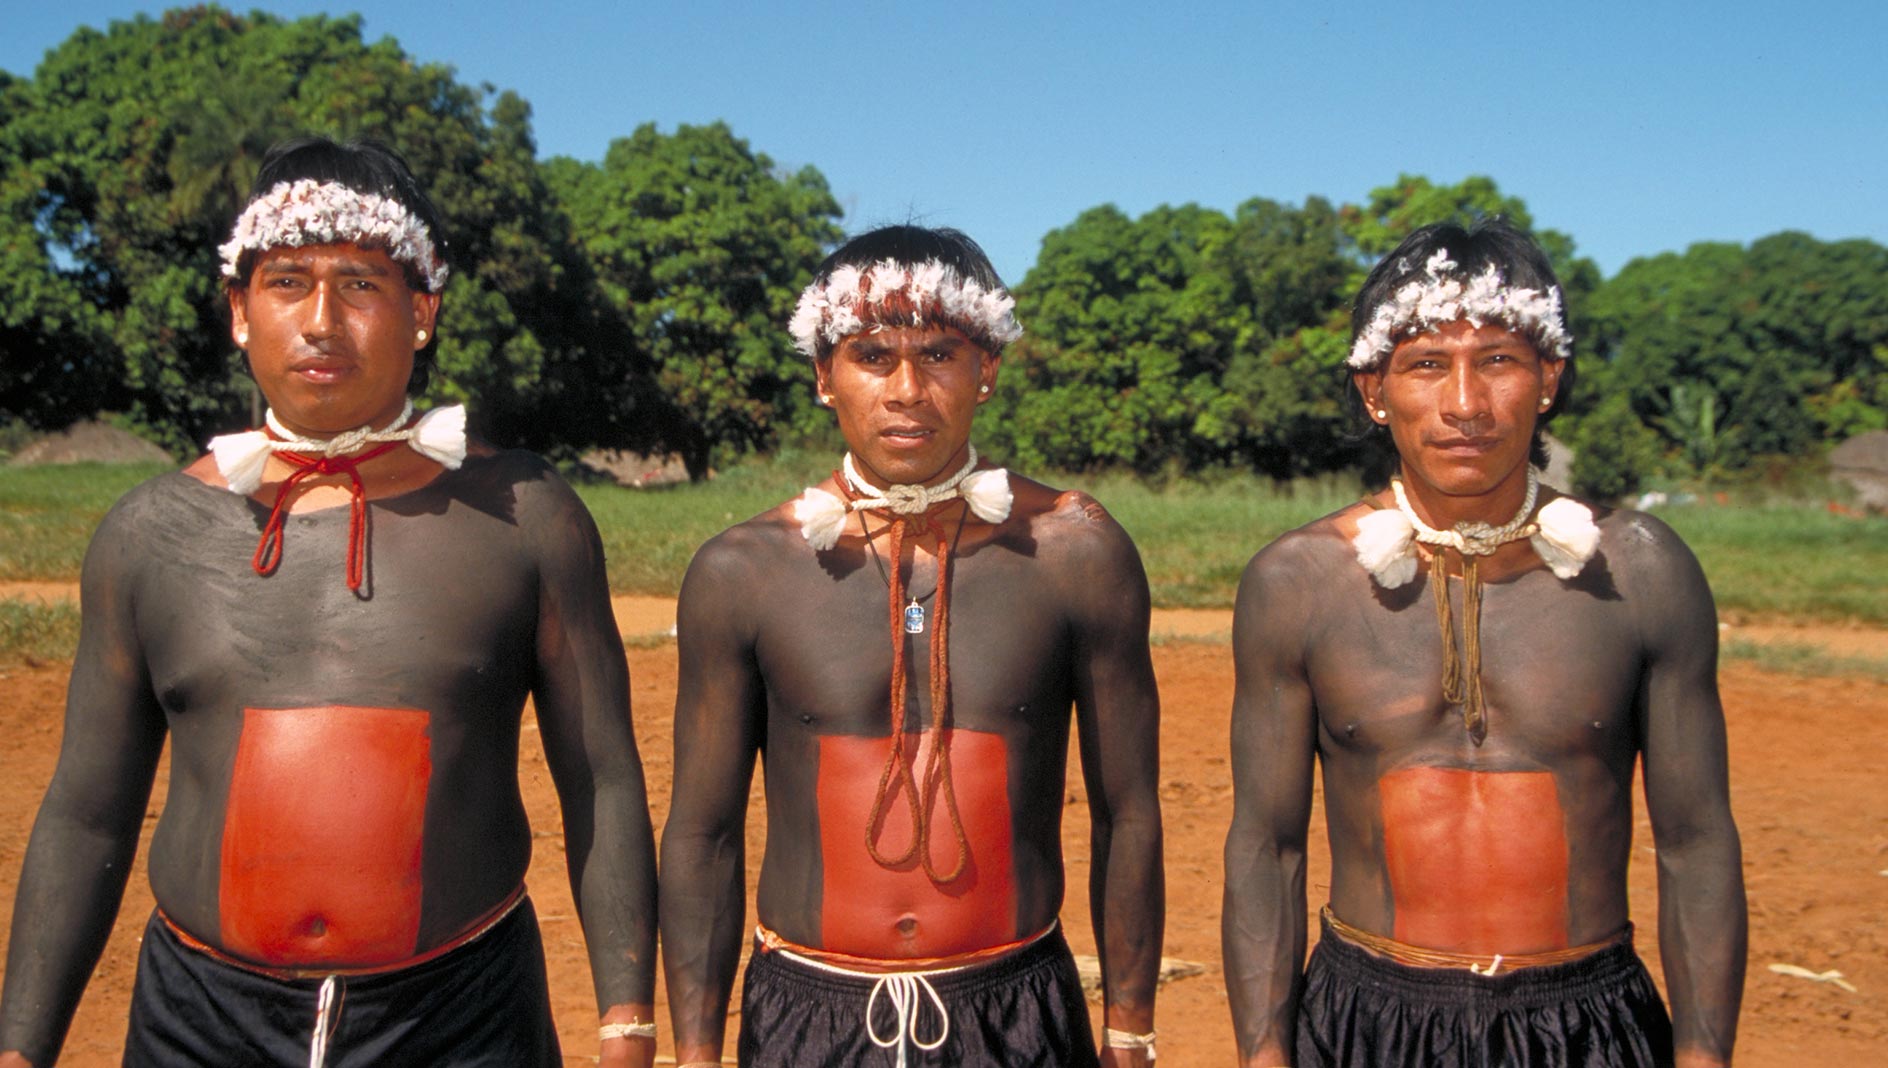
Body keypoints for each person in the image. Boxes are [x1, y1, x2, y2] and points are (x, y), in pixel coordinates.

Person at [0, 137, 658, 1068]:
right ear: (238, 311)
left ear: (422, 311)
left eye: (360, 284)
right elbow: (84, 814)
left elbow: (601, 778)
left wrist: (627, 1024)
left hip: (461, 1017)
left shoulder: (523, 517)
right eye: (287, 282)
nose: (320, 320)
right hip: (201, 1021)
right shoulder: (150, 535)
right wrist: (21, 1051)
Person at [1222, 219, 1745, 1068]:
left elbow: (1696, 841)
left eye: (1498, 360)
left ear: (1549, 378)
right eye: (1426, 364)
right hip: (1366, 1020)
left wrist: (1704, 1055)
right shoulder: (1297, 583)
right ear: (1373, 390)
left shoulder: (1642, 573)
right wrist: (1263, 1054)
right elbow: (1266, 844)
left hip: (1585, 1023)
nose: (1465, 404)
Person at [659, 225, 1164, 1067]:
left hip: (1016, 1008)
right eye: (871, 355)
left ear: (987, 370)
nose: (907, 390)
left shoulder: (1075, 551)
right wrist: (696, 1051)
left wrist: (1131, 1030)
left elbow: (1128, 810)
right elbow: (702, 833)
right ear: (824, 375)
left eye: (939, 355)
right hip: (807, 1014)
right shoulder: (743, 569)